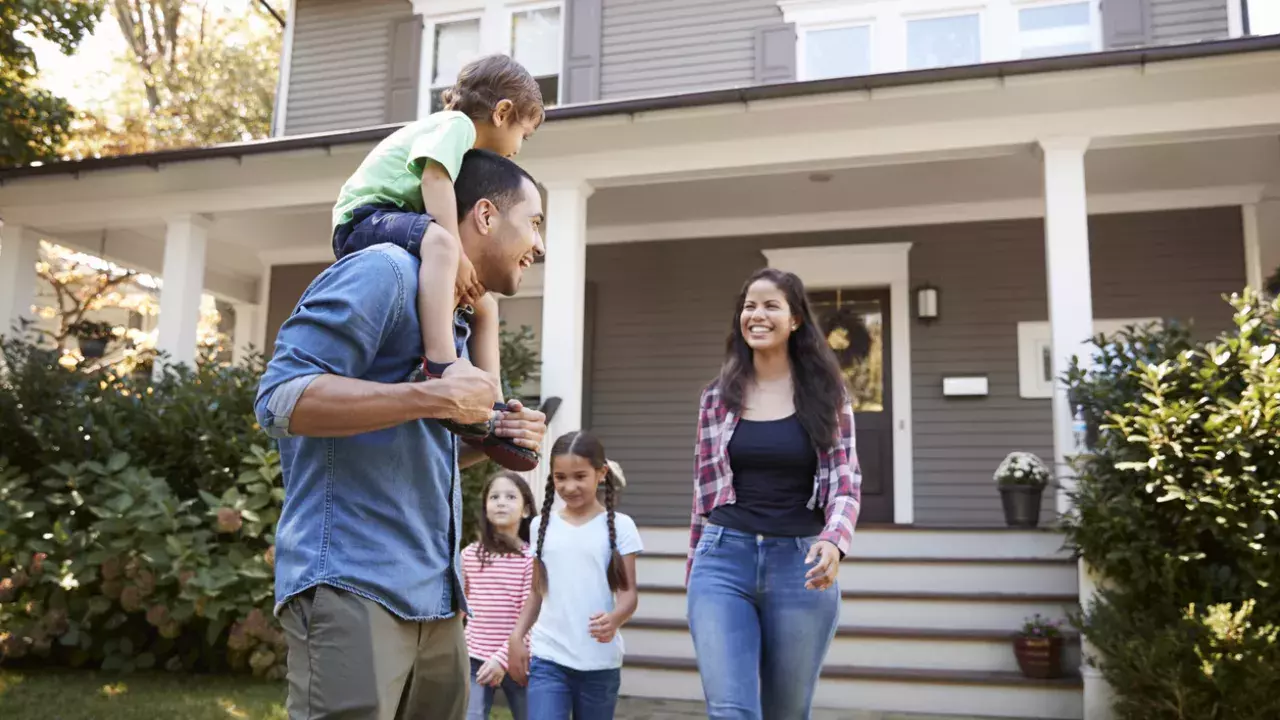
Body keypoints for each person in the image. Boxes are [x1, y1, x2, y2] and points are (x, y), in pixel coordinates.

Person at [255, 149, 548, 720]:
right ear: (485, 215)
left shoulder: (458, 320)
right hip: (353, 583)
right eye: (534, 223)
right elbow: (279, 399)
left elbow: (420, 439)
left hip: (437, 600)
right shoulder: (384, 271)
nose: (539, 246)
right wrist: (429, 396)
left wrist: (492, 437)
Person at [330, 53, 544, 470]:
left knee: (485, 304)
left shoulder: (456, 140)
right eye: (524, 134)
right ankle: (441, 363)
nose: (518, 149)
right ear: (502, 113)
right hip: (364, 216)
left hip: (389, 218)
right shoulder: (455, 126)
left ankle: (494, 412)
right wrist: (457, 252)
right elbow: (434, 180)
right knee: (441, 244)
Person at [686, 267, 862, 720]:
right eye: (749, 305)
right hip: (724, 560)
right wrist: (694, 568)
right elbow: (702, 494)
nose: (756, 315)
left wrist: (834, 541)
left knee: (786, 712)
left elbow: (846, 479)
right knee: (730, 711)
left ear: (795, 319)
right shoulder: (716, 398)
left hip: (800, 566)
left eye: (770, 305)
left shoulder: (827, 394)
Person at [506, 431, 642, 720]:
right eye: (560, 477)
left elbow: (629, 594)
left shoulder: (622, 526)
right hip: (548, 657)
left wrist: (615, 618)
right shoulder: (541, 525)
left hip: (599, 663)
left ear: (601, 473)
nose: (569, 486)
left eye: (580, 476)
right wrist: (516, 637)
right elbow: (536, 592)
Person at [462, 471, 536, 720]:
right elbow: (461, 608)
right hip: (474, 658)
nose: (501, 502)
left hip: (519, 658)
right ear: (485, 507)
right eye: (494, 497)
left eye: (510, 497)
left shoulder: (531, 560)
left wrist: (501, 660)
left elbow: (530, 618)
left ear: (525, 510)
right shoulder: (469, 555)